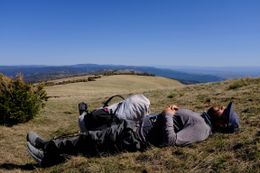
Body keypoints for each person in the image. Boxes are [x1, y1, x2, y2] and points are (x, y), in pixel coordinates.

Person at [26, 96, 240, 167]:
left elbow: (171, 141)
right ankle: (48, 153)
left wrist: (167, 114)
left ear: (222, 124)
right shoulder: (201, 120)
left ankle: (46, 150)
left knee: (89, 140)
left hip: (134, 137)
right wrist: (171, 113)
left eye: (224, 111)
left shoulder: (202, 130)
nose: (221, 107)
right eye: (223, 107)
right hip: (134, 127)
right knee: (90, 144)